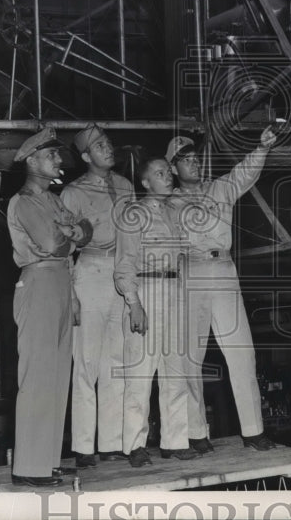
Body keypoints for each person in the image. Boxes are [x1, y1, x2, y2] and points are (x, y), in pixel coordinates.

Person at [165, 127, 278, 454]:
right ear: (173, 168)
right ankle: (196, 433)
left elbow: (245, 172)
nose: (193, 163)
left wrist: (262, 147)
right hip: (190, 272)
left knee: (242, 351)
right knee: (191, 357)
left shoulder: (220, 188)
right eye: (185, 160)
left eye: (195, 157)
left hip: (224, 270)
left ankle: (254, 431)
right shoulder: (167, 203)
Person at [7, 127, 93, 487]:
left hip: (60, 282)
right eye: (51, 154)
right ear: (32, 160)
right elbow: (51, 243)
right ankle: (29, 466)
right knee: (37, 376)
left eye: (57, 154)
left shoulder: (54, 200)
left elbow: (86, 231)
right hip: (38, 282)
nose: (59, 160)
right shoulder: (24, 201)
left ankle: (48, 461)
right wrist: (72, 234)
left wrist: (73, 233)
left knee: (58, 376)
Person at [113, 157, 200, 467]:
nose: (168, 177)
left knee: (176, 372)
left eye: (168, 172)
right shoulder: (134, 214)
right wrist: (134, 303)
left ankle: (175, 441)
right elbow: (124, 263)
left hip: (174, 290)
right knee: (139, 374)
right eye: (159, 173)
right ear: (145, 182)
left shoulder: (174, 212)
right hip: (146, 290)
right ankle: (135, 445)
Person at [61, 124, 134, 468]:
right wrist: (71, 296)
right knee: (86, 363)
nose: (108, 148)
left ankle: (111, 442)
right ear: (86, 156)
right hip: (89, 272)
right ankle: (83, 447)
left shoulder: (126, 186)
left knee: (116, 362)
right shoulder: (73, 193)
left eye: (108, 142)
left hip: (121, 272)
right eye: (100, 145)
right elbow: (63, 249)